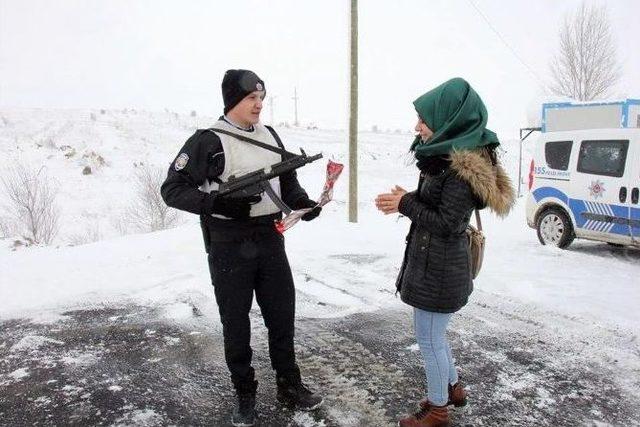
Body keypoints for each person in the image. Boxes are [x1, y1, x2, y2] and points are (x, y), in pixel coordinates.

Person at [161, 69, 323, 427]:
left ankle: (289, 384)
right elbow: (172, 190)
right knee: (236, 323)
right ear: (233, 100)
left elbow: (287, 181)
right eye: (251, 98)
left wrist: (303, 203)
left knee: (282, 315)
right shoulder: (208, 140)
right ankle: (244, 392)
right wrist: (216, 204)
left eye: (262, 98)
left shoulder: (269, 135)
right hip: (228, 244)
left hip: (269, 237)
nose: (259, 105)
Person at [375, 78, 515, 427]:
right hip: (435, 264)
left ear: (448, 119)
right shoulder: (444, 158)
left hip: (440, 270)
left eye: (423, 119)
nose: (417, 126)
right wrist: (407, 199)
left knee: (429, 338)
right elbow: (441, 209)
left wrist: (406, 203)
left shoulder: (460, 168)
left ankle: (437, 410)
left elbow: (449, 223)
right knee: (435, 335)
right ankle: (452, 389)